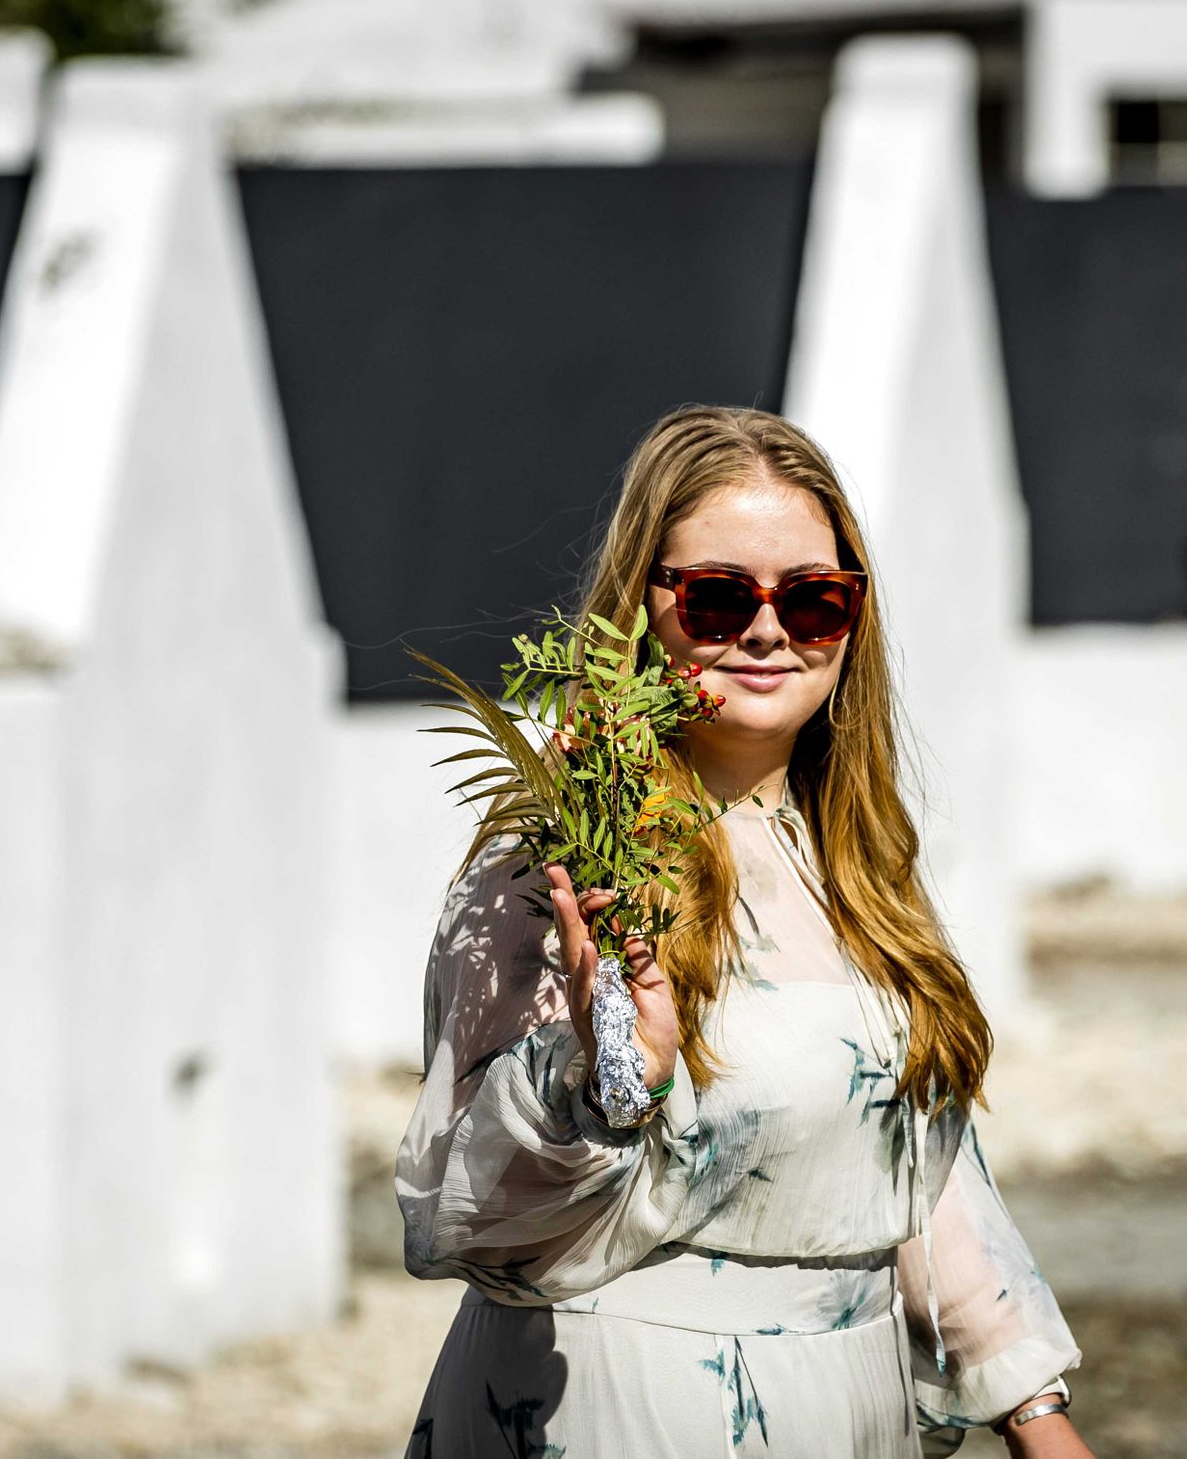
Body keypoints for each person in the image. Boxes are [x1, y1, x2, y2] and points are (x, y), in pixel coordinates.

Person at [395, 406, 1090, 1458]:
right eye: (718, 597)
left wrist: (1032, 1409)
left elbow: (903, 1158)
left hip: (850, 1414)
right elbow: (470, 1219)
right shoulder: (558, 865)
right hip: (625, 1410)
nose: (766, 631)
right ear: (642, 611)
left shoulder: (855, 861)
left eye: (812, 599)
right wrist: (599, 1086)